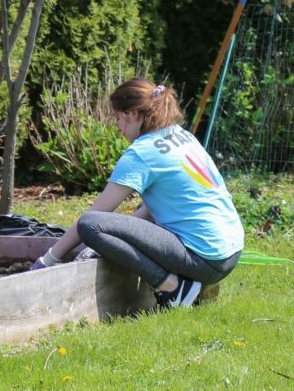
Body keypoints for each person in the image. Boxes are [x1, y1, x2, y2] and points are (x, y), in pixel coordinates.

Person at [30, 78, 244, 309]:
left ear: (132, 114)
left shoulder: (142, 153)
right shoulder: (180, 135)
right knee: (115, 221)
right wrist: (117, 238)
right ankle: (196, 284)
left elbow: (95, 216)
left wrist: (48, 259)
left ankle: (172, 287)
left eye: (118, 118)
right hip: (229, 251)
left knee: (90, 224)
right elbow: (153, 208)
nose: (118, 127)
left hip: (205, 257)